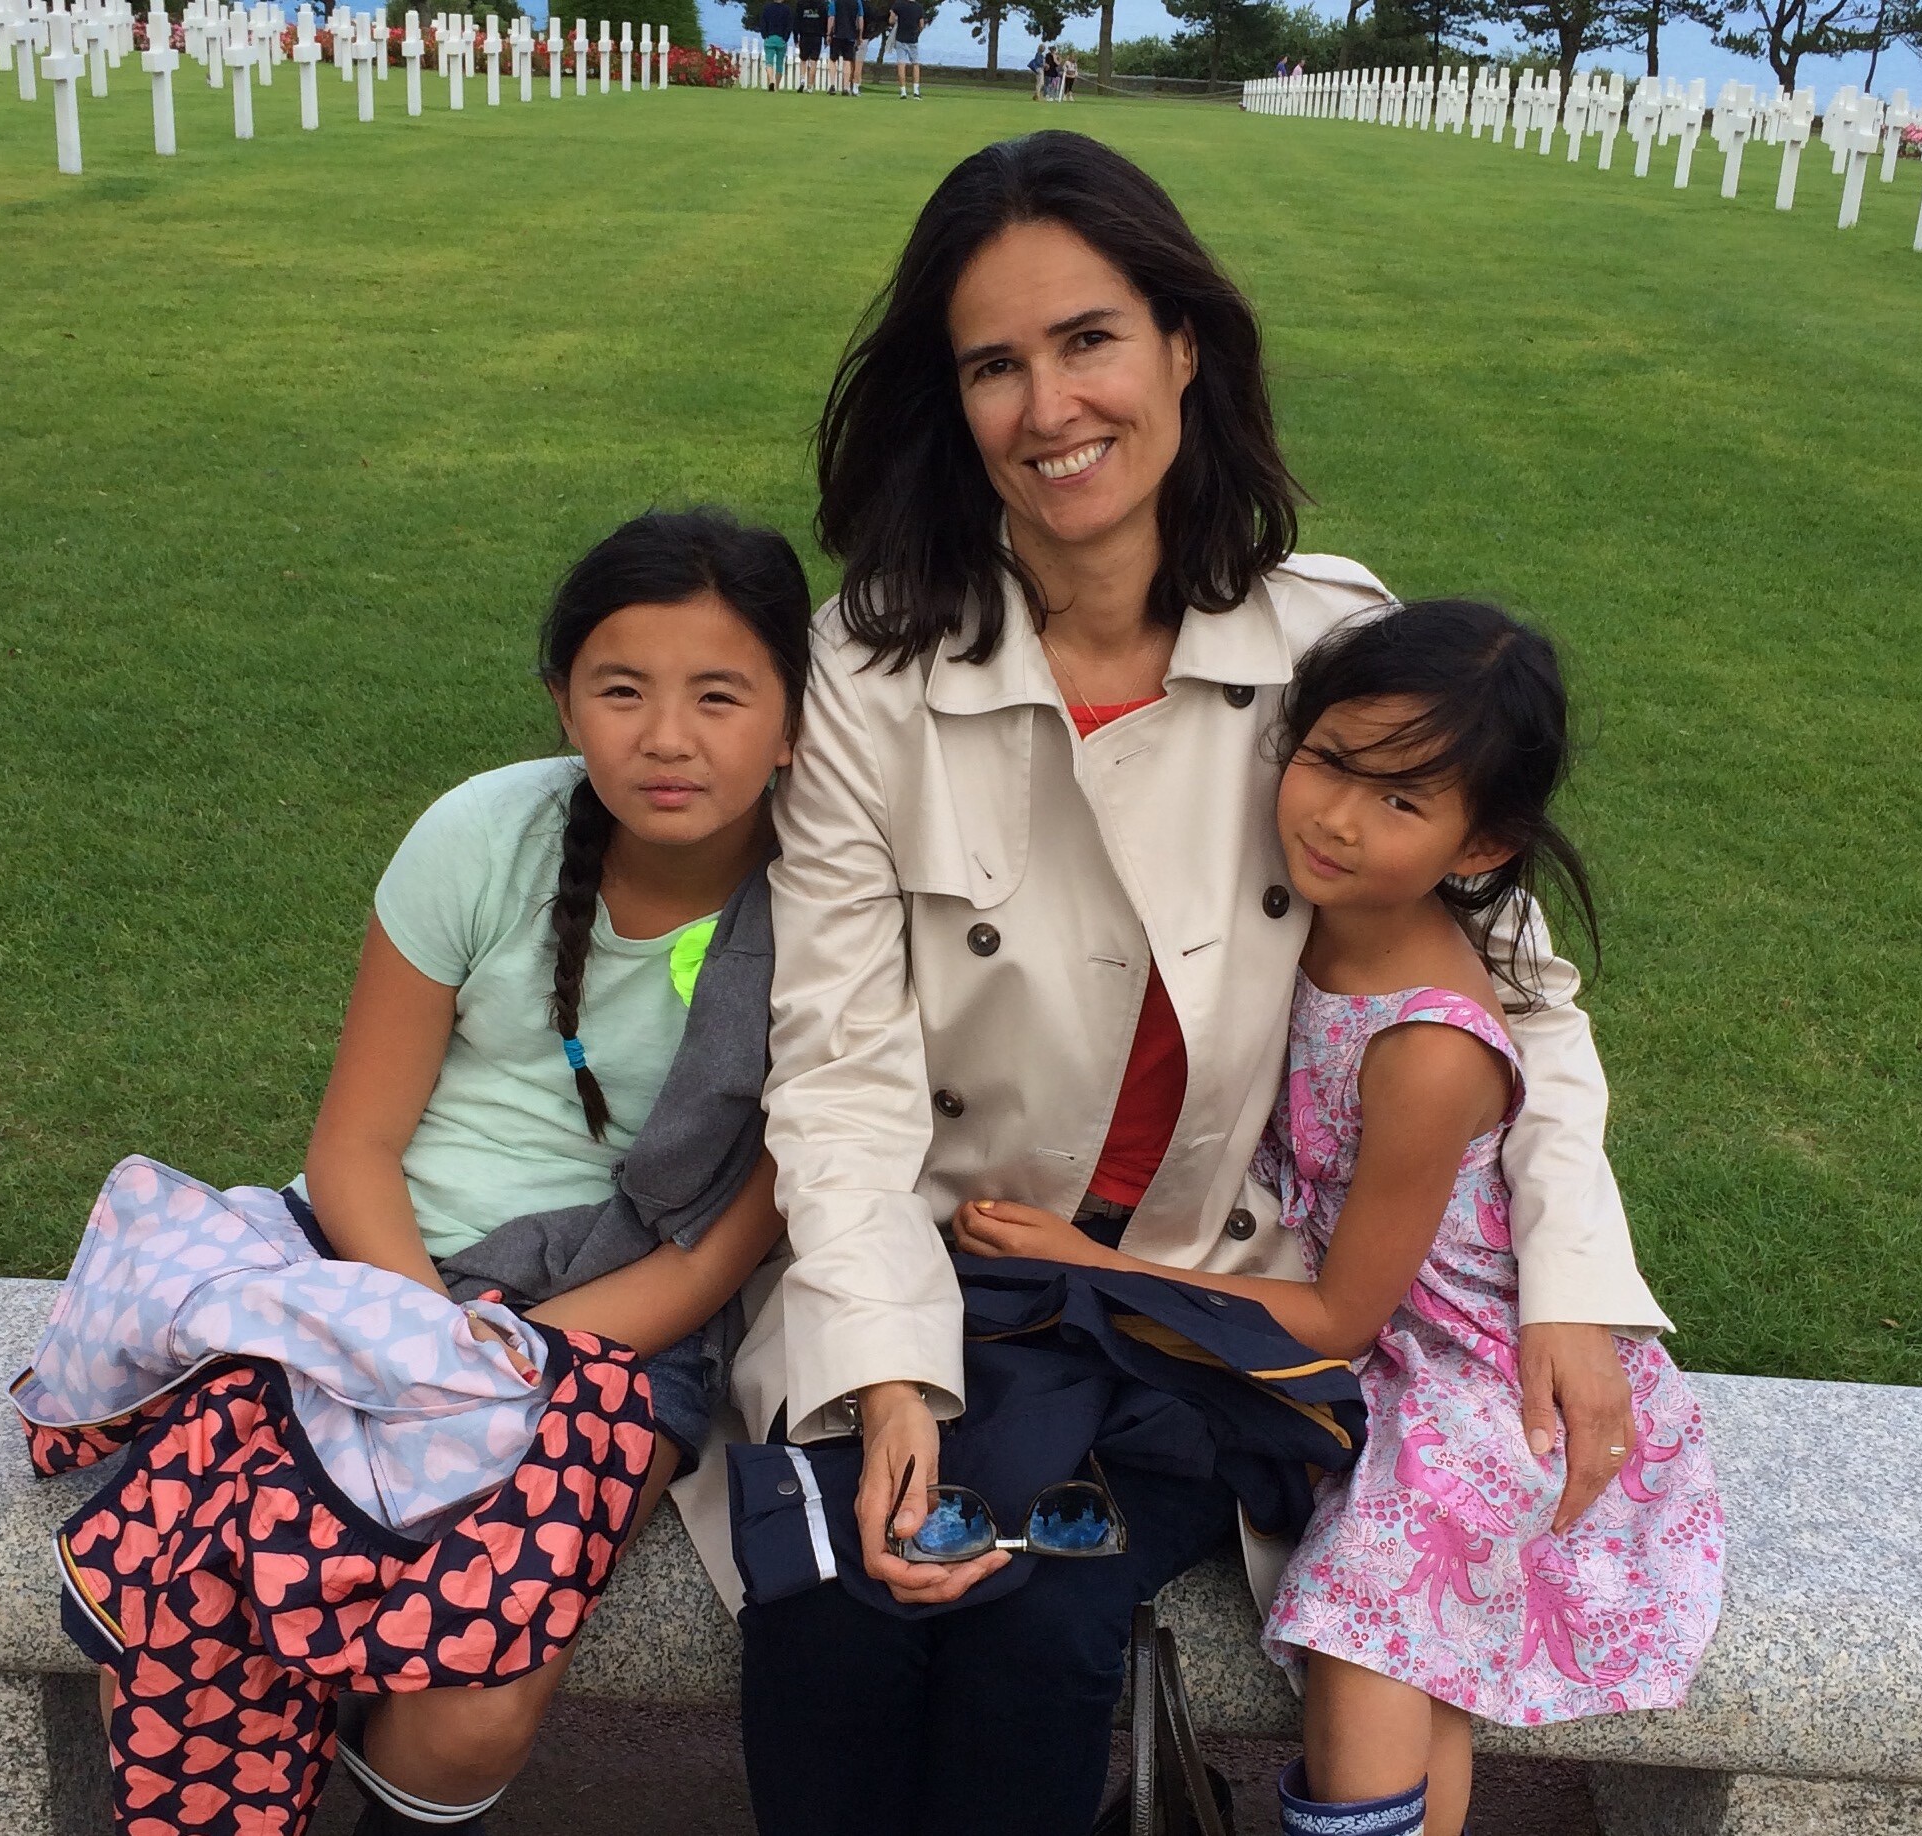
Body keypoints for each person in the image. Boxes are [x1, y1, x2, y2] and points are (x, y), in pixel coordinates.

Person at [733, 130, 1669, 1836]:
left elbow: (1517, 1000)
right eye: (992, 364)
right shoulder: (872, 664)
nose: (1047, 405)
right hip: (940, 1260)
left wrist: (1572, 1287)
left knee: (1037, 1616)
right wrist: (887, 1371)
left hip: (1194, 1301)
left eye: (1086, 338)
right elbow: (840, 1061)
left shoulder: (1326, 644)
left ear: (1180, 344)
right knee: (837, 1610)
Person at [956, 601, 1725, 1836]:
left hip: (1459, 1366)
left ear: (1483, 849)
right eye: (1328, 763)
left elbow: (1341, 1316)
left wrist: (1088, 1263)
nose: (1337, 819)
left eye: (1403, 803)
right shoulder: (1303, 923)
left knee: (1369, 1618)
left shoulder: (1425, 1045)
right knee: (1424, 1665)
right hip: (1380, 1317)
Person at [294, 508, 810, 1832]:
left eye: (720, 695)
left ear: (796, 722)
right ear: (563, 702)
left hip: (626, 1328)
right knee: (229, 1579)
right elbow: (354, 1145)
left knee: (473, 1701)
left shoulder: (829, 915)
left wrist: (508, 1359)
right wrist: (422, 1332)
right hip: (376, 1271)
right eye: (621, 690)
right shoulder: (484, 833)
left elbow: (718, 1249)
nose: (668, 737)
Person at [888, 0, 921, 95]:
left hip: (900, 38)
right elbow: (921, 24)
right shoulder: (918, 7)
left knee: (901, 64)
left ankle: (903, 92)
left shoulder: (898, 5)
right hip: (913, 38)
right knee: (915, 64)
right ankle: (916, 91)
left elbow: (891, 20)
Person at [791, 0, 825, 86]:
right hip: (817, 35)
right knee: (813, 60)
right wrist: (825, 35)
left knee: (803, 59)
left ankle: (802, 79)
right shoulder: (821, 4)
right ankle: (810, 85)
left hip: (804, 35)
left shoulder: (801, 3)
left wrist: (795, 37)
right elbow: (824, 20)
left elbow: (796, 20)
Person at [827, 0, 858, 91]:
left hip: (837, 34)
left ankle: (832, 85)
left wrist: (829, 33)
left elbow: (831, 17)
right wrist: (859, 35)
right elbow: (859, 19)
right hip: (850, 35)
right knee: (847, 61)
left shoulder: (835, 2)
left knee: (833, 59)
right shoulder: (856, 2)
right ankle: (846, 87)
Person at [760, 0, 792, 87]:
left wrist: (764, 35)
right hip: (781, 39)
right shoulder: (787, 9)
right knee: (779, 64)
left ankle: (771, 80)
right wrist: (785, 38)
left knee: (769, 62)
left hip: (770, 37)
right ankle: (777, 86)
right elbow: (789, 25)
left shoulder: (767, 8)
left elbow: (763, 23)